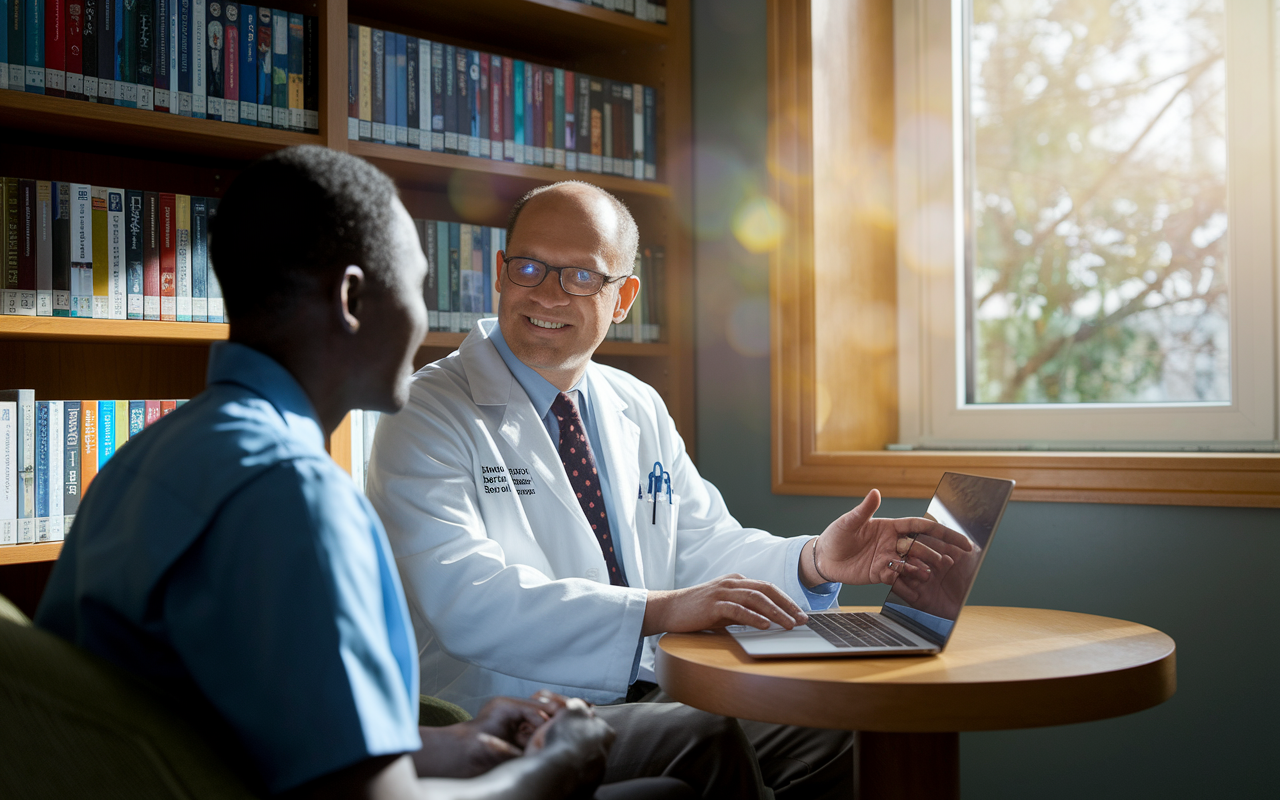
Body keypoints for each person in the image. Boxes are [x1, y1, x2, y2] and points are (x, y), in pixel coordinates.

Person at [35, 149, 692, 800]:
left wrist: (449, 742)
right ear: (353, 298)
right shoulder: (296, 494)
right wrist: (556, 767)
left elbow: (240, 721)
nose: (427, 319)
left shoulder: (153, 455)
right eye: (417, 284)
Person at [366, 180, 961, 799]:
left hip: (648, 687)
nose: (546, 292)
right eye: (530, 267)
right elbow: (469, 599)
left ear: (624, 297)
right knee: (706, 737)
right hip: (513, 711)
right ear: (500, 272)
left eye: (581, 277)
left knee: (844, 729)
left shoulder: (635, 402)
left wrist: (813, 561)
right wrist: (661, 609)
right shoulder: (426, 411)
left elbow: (701, 544)